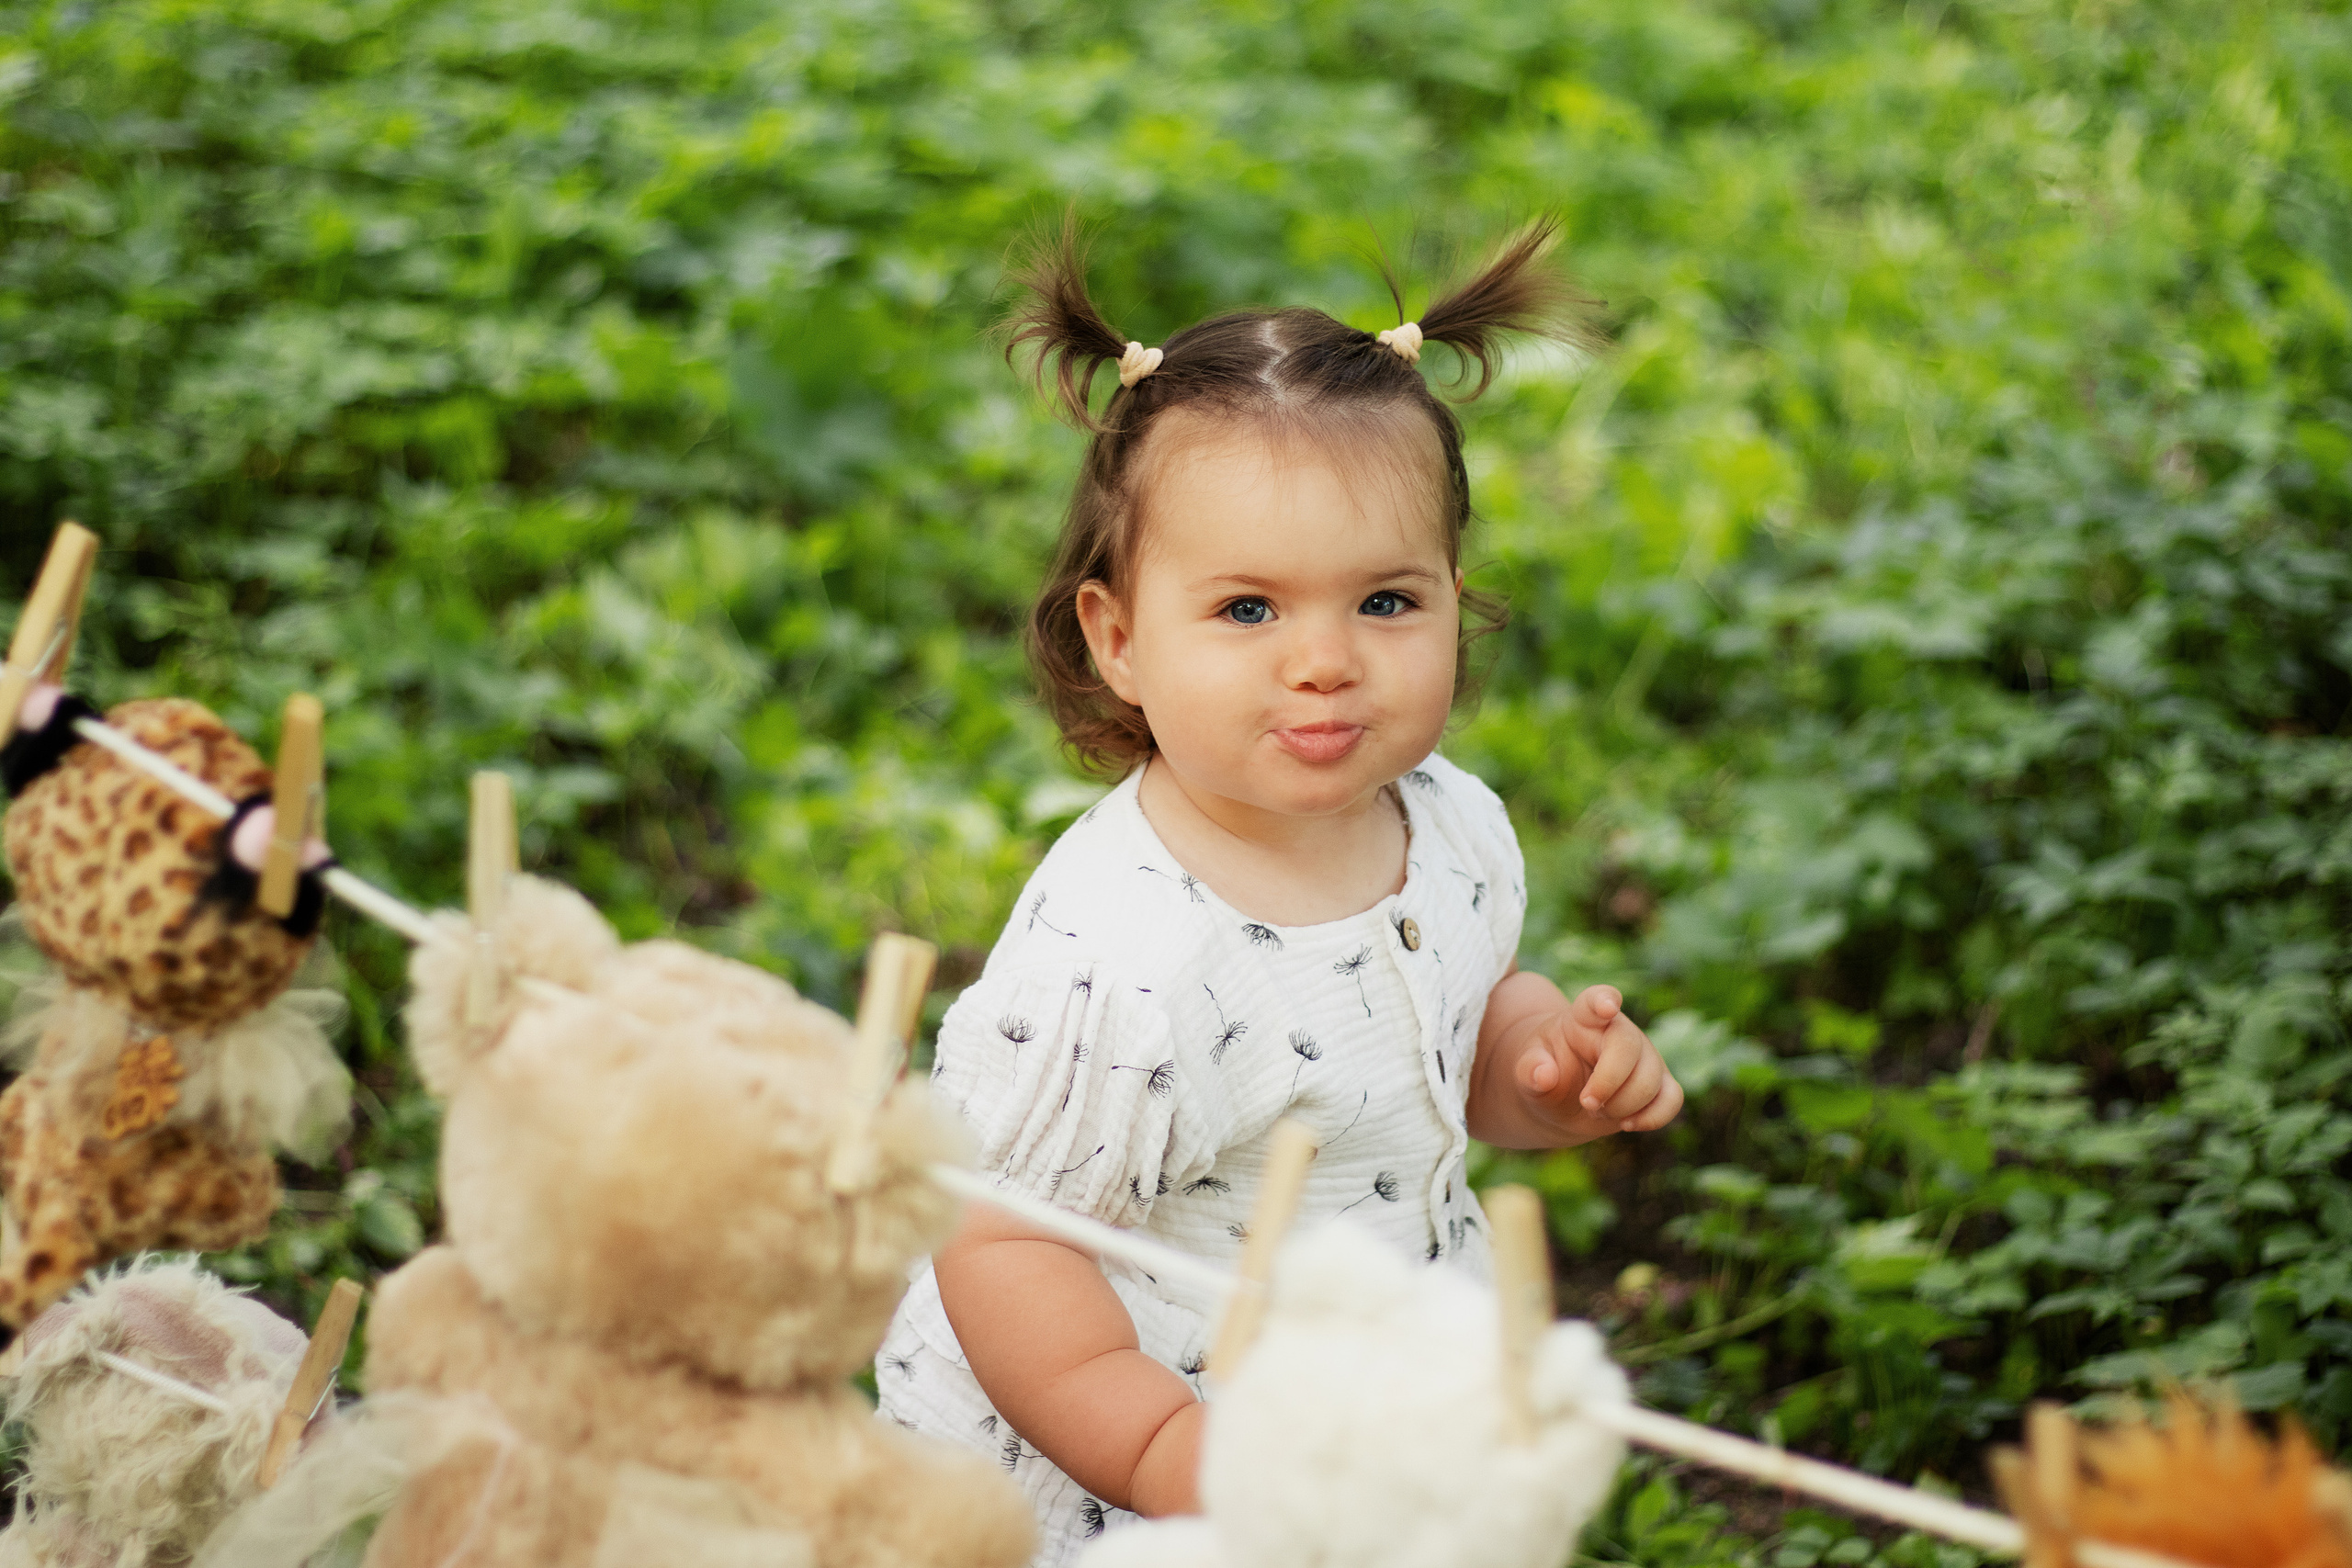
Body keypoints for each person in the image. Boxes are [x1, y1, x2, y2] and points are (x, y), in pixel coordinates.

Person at [876, 218, 1685, 1565]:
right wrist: (1162, 1451)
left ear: (1455, 602)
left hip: (1345, 1402)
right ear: (1119, 639)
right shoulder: (1124, 958)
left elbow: (1439, 1041)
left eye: (1385, 602)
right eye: (1249, 610)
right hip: (1125, 1452)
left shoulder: (1455, 829)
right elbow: (1001, 1244)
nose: (1325, 661)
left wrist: (1534, 1064)